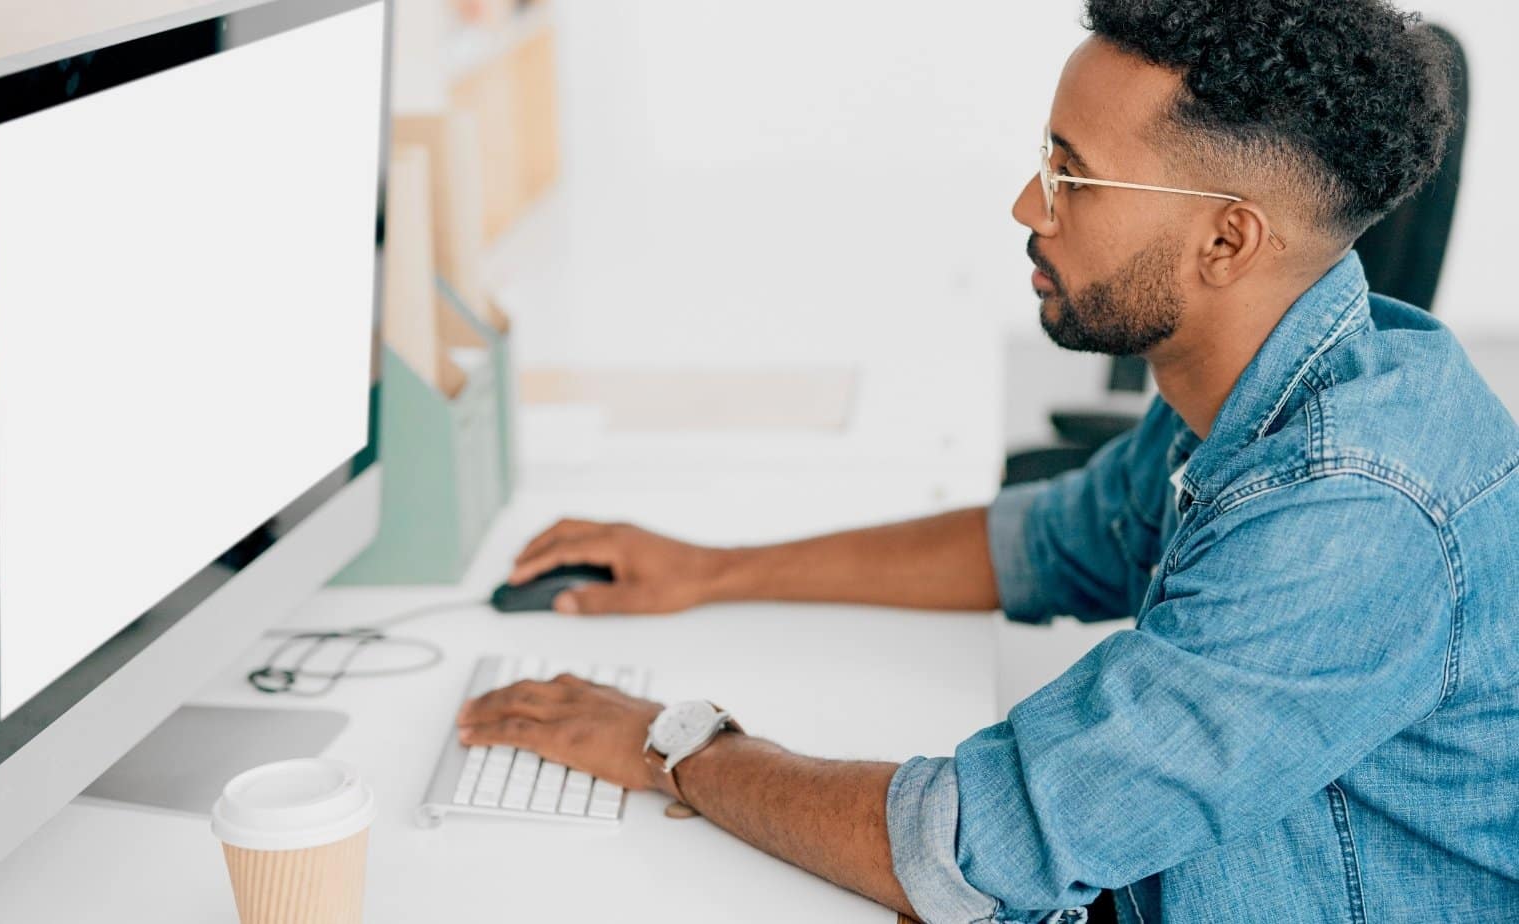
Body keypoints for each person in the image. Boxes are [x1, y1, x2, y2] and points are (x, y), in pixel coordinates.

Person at [455, 1, 1519, 920]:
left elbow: (980, 847)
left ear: (1226, 243)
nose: (1027, 206)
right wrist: (714, 568)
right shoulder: (1260, 363)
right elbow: (1054, 543)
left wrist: (672, 744)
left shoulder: (1348, 509)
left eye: (1075, 178)